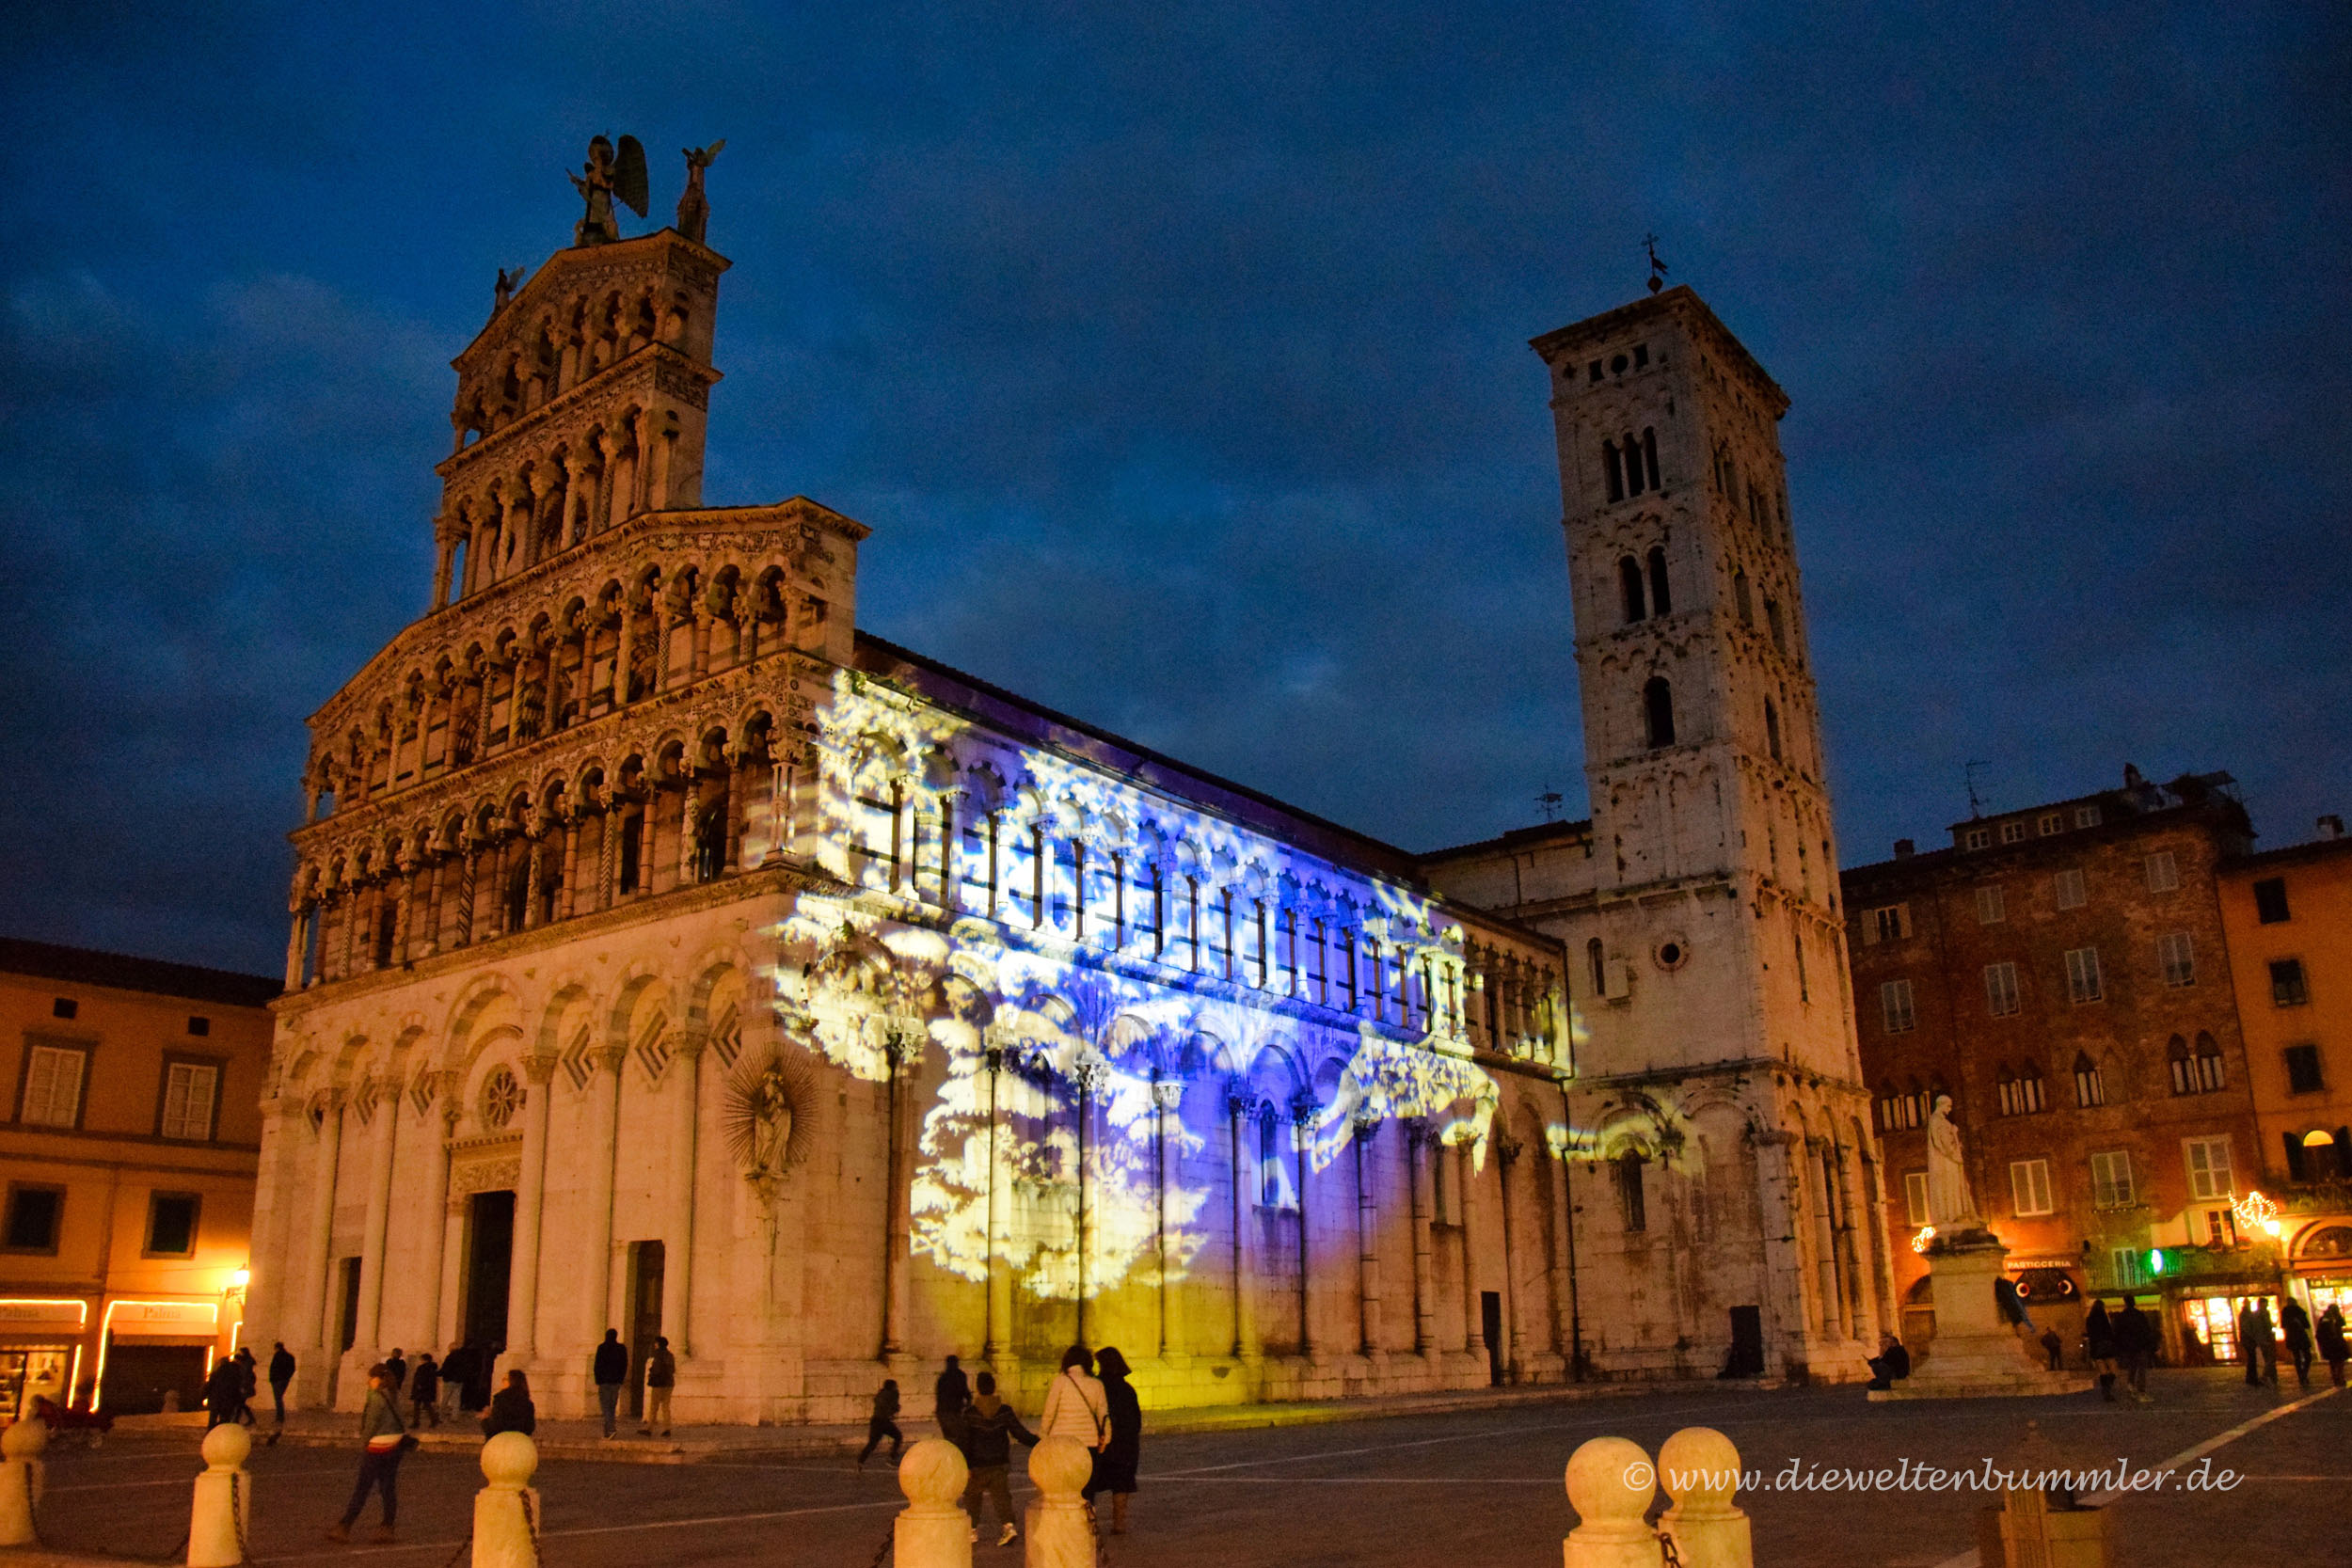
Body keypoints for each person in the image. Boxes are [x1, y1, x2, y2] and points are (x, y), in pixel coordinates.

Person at [326, 1363, 407, 1544]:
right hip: (395, 1446)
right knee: (388, 1488)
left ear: (376, 1379)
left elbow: (370, 1424)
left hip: (378, 1447)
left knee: (362, 1488)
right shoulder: (394, 1395)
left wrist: (364, 1444)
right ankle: (387, 1526)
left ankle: (345, 1526)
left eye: (370, 1377)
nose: (367, 1381)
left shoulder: (376, 1398)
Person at [959, 1370, 1037, 1548]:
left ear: (978, 1388)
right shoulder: (1004, 1411)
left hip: (977, 1464)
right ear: (994, 1388)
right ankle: (1008, 1527)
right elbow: (1019, 1433)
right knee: (1002, 1497)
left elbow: (965, 1440)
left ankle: (972, 1531)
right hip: (999, 1462)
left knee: (972, 1497)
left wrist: (966, 1463)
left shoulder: (970, 1413)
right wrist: (1038, 1442)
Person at [1084, 1347, 1142, 1534]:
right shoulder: (1127, 1389)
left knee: (1090, 1483)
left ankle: (1089, 1523)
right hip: (1125, 1445)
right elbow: (1135, 1420)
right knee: (1120, 1485)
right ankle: (1119, 1524)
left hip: (1101, 1443)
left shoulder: (1097, 1386)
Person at [1038, 1345, 1108, 1453]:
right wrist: (1106, 1439)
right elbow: (1103, 1415)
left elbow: (1049, 1413)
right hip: (1089, 1441)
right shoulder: (1097, 1384)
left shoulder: (1060, 1382)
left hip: (1062, 1440)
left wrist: (1043, 1434)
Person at [2116, 1296, 2156, 1402]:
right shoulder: (2139, 1315)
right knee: (2142, 1369)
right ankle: (2141, 1392)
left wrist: (2121, 1346)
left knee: (2132, 1367)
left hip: (2128, 1347)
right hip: (2140, 1345)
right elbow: (2146, 1330)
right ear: (2134, 1302)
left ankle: (2131, 1385)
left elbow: (2118, 1332)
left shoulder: (2122, 1316)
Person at [857, 1378, 903, 1469]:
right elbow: (892, 1408)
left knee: (872, 1443)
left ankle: (861, 1461)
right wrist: (896, 1408)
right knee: (898, 1436)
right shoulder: (892, 1394)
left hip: (876, 1421)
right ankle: (892, 1457)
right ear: (892, 1387)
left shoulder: (881, 1394)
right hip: (883, 1422)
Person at [592, 1329, 628, 1439]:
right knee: (611, 1406)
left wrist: (598, 1379)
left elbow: (597, 1365)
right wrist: (621, 1379)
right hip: (616, 1382)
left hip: (604, 1381)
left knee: (605, 1407)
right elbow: (624, 1364)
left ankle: (611, 1429)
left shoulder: (602, 1348)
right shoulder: (621, 1349)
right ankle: (607, 1431)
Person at [482, 1370, 536, 1437]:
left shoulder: (501, 1400)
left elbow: (494, 1427)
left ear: (512, 1382)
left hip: (502, 1442)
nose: (502, 1381)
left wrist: (485, 1419)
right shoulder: (528, 1403)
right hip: (519, 1442)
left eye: (505, 1379)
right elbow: (530, 1428)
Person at [641, 1336, 676, 1437]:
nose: (655, 1345)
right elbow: (673, 1369)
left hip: (659, 1384)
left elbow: (656, 1369)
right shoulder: (670, 1355)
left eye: (656, 1343)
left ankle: (649, 1428)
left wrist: (651, 1373)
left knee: (654, 1407)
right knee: (666, 1407)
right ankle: (667, 1428)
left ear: (659, 1344)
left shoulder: (658, 1355)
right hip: (669, 1383)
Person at [2085, 1302, 2119, 1402]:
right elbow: (2109, 1331)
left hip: (2096, 1346)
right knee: (2113, 1368)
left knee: (2102, 1370)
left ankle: (2106, 1391)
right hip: (2106, 1345)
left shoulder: (2089, 1319)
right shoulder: (2104, 1317)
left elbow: (2090, 1334)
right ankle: (2108, 1388)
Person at [935, 1354, 972, 1444]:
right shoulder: (960, 1376)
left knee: (950, 1437)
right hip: (953, 1411)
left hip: (944, 1412)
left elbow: (939, 1396)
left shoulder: (943, 1378)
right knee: (959, 1437)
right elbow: (965, 1392)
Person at [203, 1354, 245, 1430]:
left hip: (215, 1400)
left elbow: (209, 1385)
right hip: (227, 1401)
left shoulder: (217, 1372)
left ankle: (210, 1435)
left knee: (212, 1419)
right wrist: (237, 1400)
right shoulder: (235, 1373)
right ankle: (220, 1433)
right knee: (224, 1420)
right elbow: (236, 1388)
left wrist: (202, 1396)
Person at [2281, 1298, 2314, 1391]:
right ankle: (2304, 1374)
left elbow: (2283, 1325)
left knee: (2297, 1358)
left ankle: (2301, 1375)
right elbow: (2307, 1325)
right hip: (2301, 1336)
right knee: (2307, 1356)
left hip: (2292, 1337)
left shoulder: (2285, 1312)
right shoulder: (2299, 1311)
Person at [2316, 1304, 2348, 1388]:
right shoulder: (2329, 1319)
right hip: (2335, 1342)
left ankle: (2337, 1377)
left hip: (2331, 1343)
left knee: (2335, 1361)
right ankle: (2339, 1377)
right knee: (2338, 1361)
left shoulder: (2326, 1319)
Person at [408, 1352, 440, 1428]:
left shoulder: (422, 1368)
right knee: (427, 1406)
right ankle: (434, 1420)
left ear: (424, 1360)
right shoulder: (433, 1368)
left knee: (417, 1407)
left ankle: (416, 1423)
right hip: (428, 1390)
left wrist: (419, 1386)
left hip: (420, 1391)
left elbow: (419, 1379)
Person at [268, 1342, 296, 1425]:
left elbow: (273, 1368)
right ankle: (280, 1417)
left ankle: (279, 1417)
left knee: (278, 1399)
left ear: (277, 1348)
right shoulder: (290, 1356)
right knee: (279, 1398)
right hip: (284, 1380)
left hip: (277, 1380)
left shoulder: (277, 1356)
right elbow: (292, 1368)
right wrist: (287, 1377)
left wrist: (272, 1379)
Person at [234, 1348, 261, 1426]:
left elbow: (245, 1376)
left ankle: (239, 1419)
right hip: (246, 1386)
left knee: (240, 1403)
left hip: (245, 1387)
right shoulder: (247, 1363)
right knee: (241, 1403)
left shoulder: (246, 1364)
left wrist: (243, 1387)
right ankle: (241, 1419)